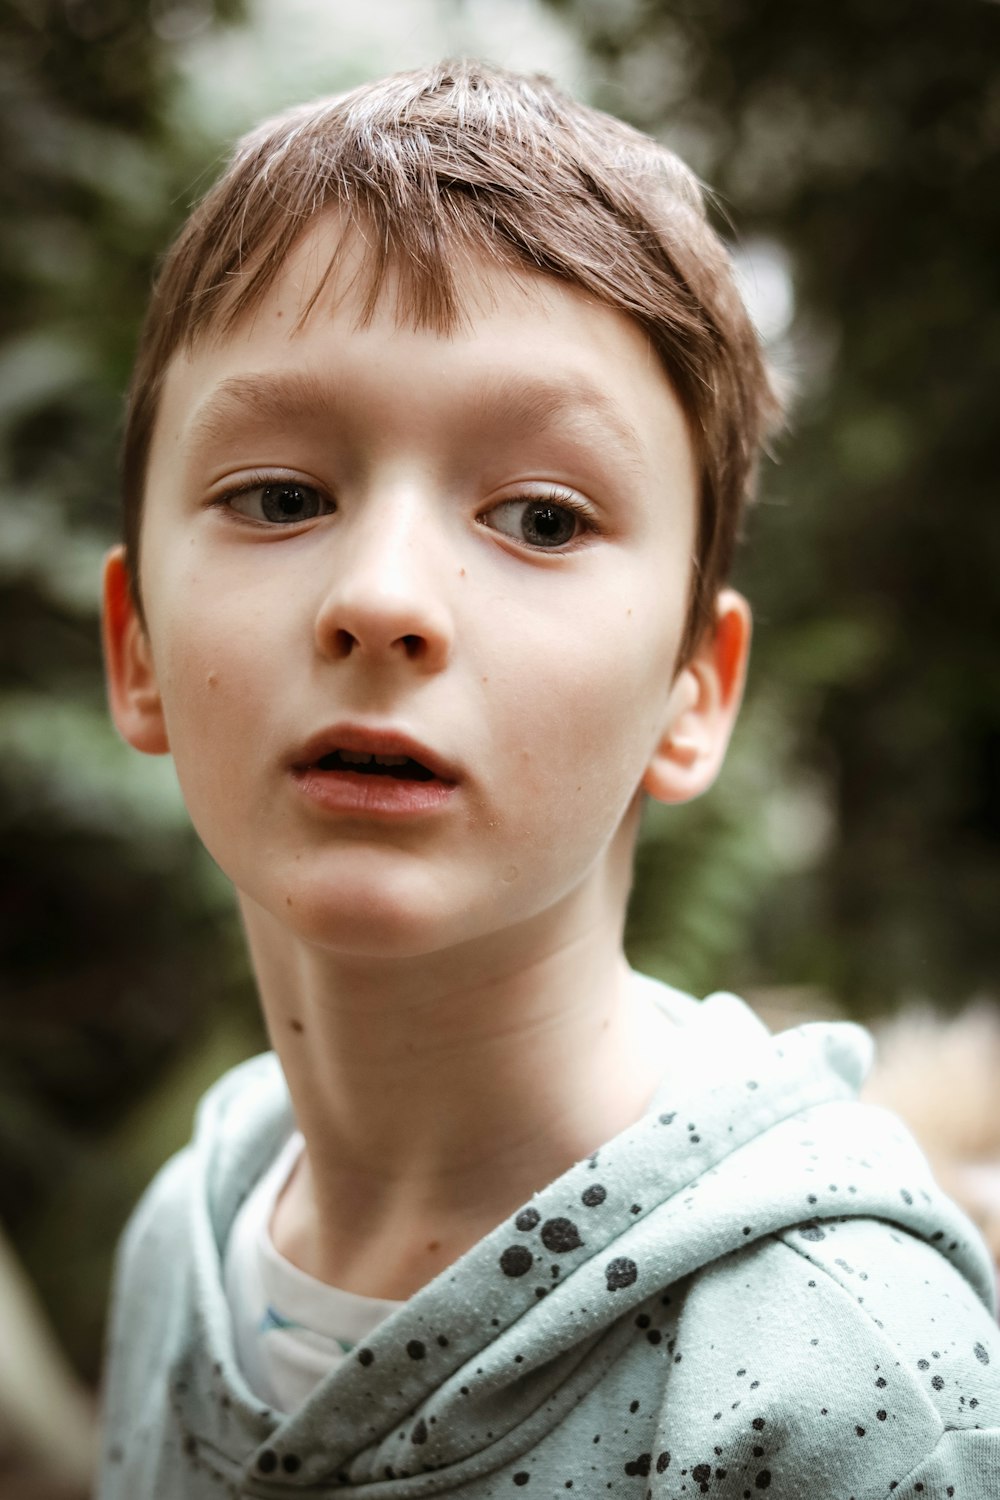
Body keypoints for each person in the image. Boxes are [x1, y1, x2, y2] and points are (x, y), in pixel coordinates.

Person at [96, 59, 1000, 1498]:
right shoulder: (177, 1243)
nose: (384, 596)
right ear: (135, 647)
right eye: (282, 497)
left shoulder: (837, 1370)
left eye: (538, 514)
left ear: (692, 693)